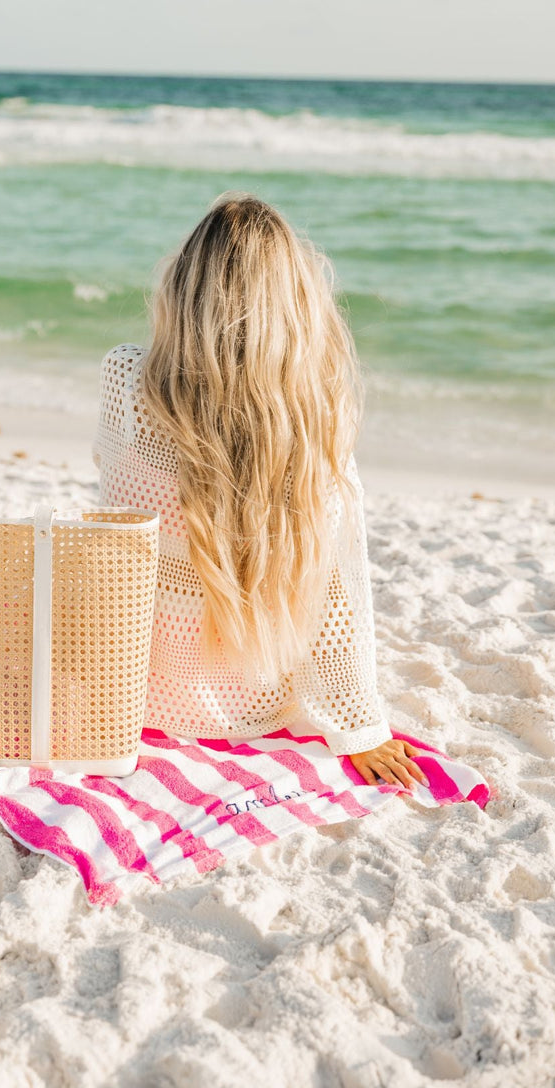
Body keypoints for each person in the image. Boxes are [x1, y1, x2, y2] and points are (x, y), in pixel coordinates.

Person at [92, 192, 428, 792]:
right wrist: (359, 725)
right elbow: (335, 585)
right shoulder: (318, 409)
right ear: (296, 303)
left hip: (138, 689)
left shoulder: (126, 378)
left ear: (183, 289)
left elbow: (112, 510)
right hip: (258, 695)